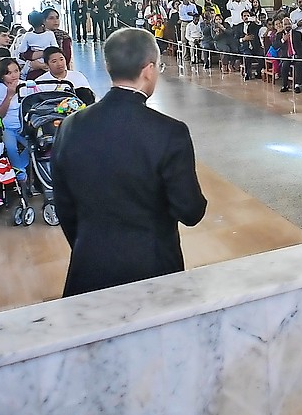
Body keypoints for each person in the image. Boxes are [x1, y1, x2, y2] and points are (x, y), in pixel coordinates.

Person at [51, 29, 206, 296]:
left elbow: (64, 207)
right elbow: (190, 211)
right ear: (148, 69)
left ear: (109, 66)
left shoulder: (70, 125)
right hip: (153, 265)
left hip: (89, 265)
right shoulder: (169, 131)